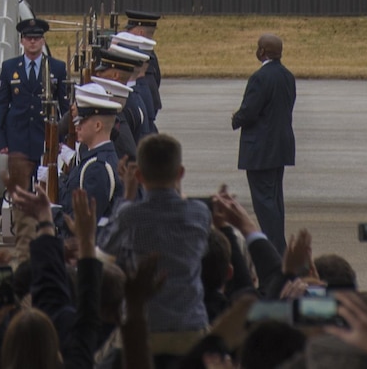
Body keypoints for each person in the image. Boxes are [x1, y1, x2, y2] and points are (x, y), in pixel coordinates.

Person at [102, 134, 211, 334]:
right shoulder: (200, 212)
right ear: (180, 173)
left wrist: (127, 196)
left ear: (139, 176)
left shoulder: (130, 215)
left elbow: (106, 246)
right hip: (191, 325)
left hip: (145, 327)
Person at [231, 31, 296, 249]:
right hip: (280, 147)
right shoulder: (287, 76)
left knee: (265, 203)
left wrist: (236, 118)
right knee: (275, 200)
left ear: (262, 52)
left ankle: (275, 248)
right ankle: (278, 244)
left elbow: (250, 110)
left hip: (261, 150)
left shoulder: (260, 78)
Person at [0, 17, 70, 191]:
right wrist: (1, 140)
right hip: (17, 139)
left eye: (37, 38)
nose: (32, 42)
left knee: (45, 191)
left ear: (43, 41)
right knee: (20, 193)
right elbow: (1, 105)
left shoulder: (57, 68)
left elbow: (65, 106)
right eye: (28, 38)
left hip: (45, 138)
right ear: (22, 40)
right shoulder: (9, 68)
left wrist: (64, 138)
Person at [54, 87, 123, 237]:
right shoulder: (94, 159)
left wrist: (49, 211)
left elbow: (82, 222)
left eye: (81, 121)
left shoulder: (98, 167)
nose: (76, 126)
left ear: (98, 126)